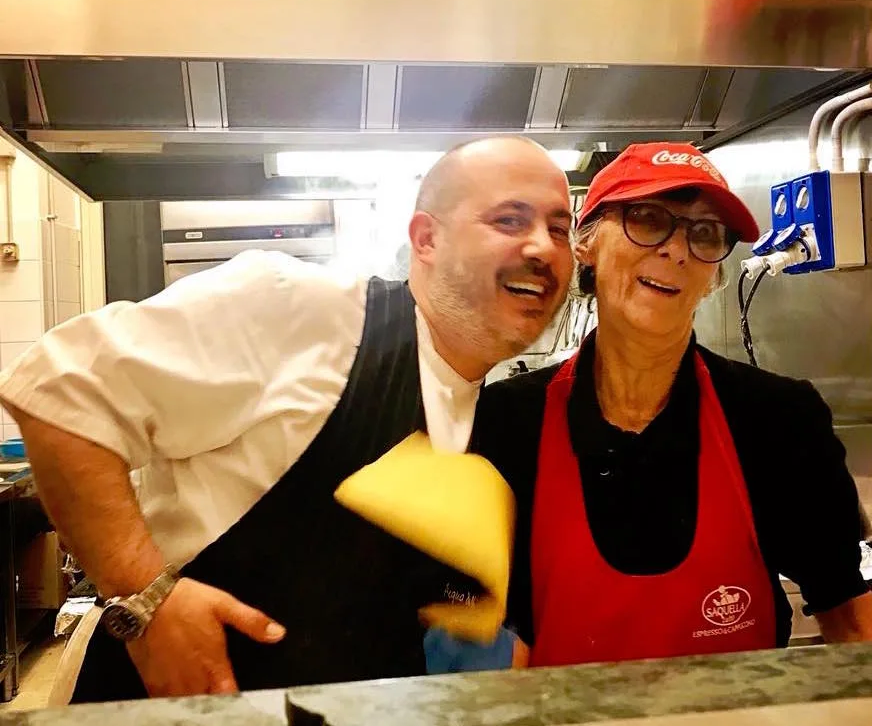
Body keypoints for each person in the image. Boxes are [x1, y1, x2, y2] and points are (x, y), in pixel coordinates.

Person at [0, 136, 574, 702]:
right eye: (509, 220)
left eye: (559, 228)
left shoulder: (477, 416)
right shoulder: (310, 310)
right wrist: (146, 601)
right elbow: (57, 389)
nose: (543, 248)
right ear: (425, 239)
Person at [476, 142, 872, 668]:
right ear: (586, 242)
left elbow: (850, 615)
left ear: (714, 276)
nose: (677, 250)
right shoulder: (508, 422)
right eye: (647, 218)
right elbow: (499, 639)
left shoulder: (778, 420)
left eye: (704, 232)